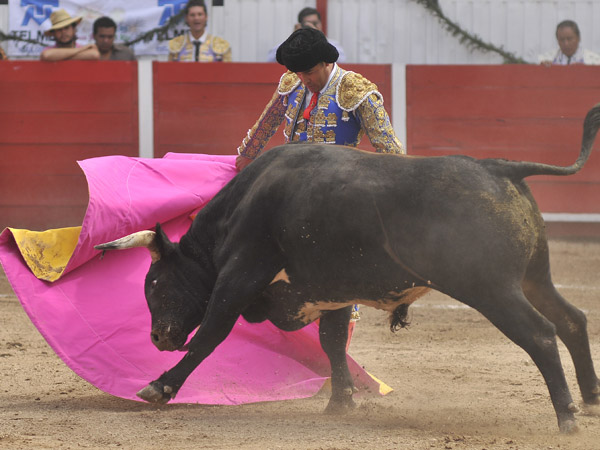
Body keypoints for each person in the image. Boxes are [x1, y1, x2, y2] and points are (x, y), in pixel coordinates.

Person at [237, 27, 404, 172]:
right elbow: (268, 121)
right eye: (298, 73)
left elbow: (390, 150)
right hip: (291, 173)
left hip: (338, 182)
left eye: (309, 72)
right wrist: (247, 154)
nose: (304, 80)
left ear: (326, 62)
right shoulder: (292, 82)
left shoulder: (355, 89)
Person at [267, 7, 345, 63]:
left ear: (320, 23)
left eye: (315, 23)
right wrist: (293, 37)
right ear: (300, 25)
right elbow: (271, 59)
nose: (312, 27)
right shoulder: (294, 44)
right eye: (308, 24)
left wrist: (320, 38)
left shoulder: (332, 43)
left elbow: (341, 60)